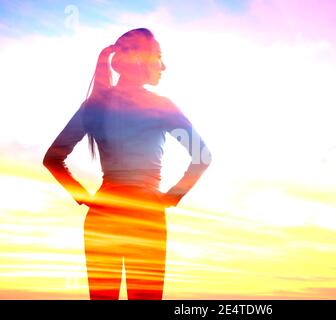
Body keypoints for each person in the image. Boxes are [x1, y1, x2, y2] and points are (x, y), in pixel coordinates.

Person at [43, 28, 212, 300]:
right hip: (146, 215)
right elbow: (202, 157)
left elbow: (52, 159)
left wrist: (85, 198)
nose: (164, 66)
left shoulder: (93, 106)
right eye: (159, 56)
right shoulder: (161, 106)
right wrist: (169, 198)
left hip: (101, 216)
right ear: (141, 61)